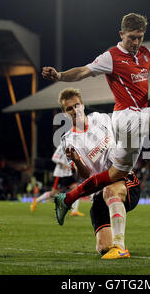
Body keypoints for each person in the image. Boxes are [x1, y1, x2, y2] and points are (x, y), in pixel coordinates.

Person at [43, 13, 150, 221]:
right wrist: (59, 76)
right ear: (121, 34)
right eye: (132, 37)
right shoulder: (111, 56)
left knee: (115, 174)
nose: (136, 42)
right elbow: (84, 71)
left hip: (136, 117)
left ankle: (67, 199)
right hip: (125, 116)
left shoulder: (146, 54)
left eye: (140, 37)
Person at [57, 88, 141, 259]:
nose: (75, 111)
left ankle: (120, 247)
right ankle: (113, 242)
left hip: (124, 180)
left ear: (83, 105)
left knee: (110, 190)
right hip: (97, 191)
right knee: (103, 248)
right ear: (64, 113)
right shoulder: (68, 140)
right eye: (69, 109)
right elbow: (86, 174)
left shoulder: (101, 119)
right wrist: (78, 160)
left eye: (77, 106)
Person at [31, 144, 84, 217]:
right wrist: (64, 165)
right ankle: (36, 201)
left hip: (68, 174)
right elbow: (54, 158)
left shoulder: (73, 148)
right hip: (60, 174)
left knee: (77, 190)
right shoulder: (61, 147)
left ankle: (74, 211)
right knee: (53, 193)